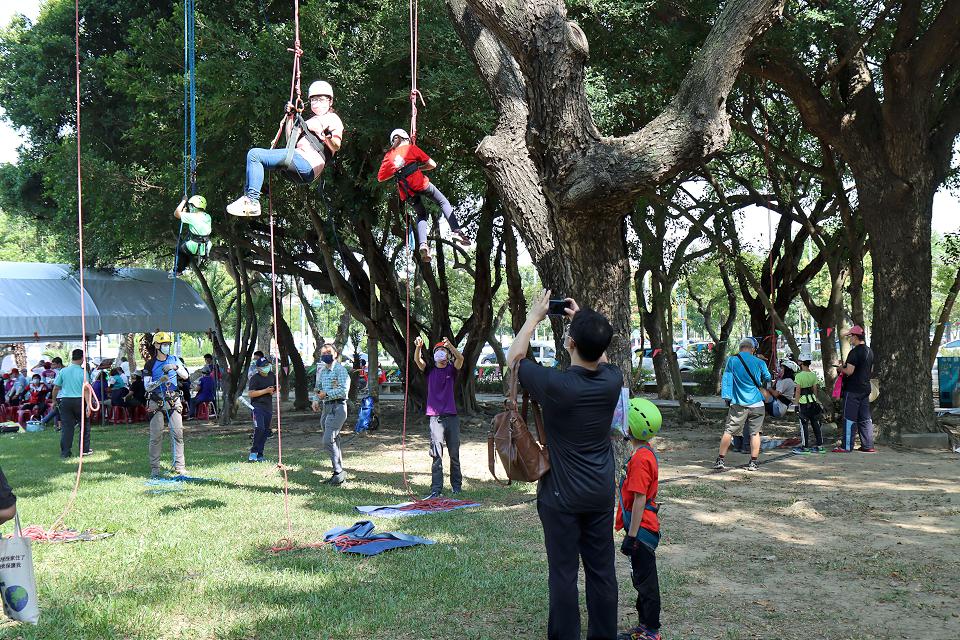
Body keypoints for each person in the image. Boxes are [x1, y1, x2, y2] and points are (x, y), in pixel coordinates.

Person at [506, 290, 622, 640]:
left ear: (569, 343)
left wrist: (534, 318)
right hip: (600, 491)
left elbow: (514, 358)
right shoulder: (612, 379)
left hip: (561, 495)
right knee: (602, 571)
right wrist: (583, 323)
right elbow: (597, 353)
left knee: (563, 573)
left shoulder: (556, 385)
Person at [227, 81, 344, 217]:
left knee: (254, 155)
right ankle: (249, 199)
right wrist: (290, 117)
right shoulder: (309, 121)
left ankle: (252, 200)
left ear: (330, 101)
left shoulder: (332, 118)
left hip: (307, 163)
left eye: (321, 99)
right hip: (298, 161)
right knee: (255, 157)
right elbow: (290, 140)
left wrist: (328, 137)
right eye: (313, 99)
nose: (317, 103)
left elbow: (337, 145)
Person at [377, 129, 470, 263]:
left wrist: (398, 171)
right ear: (405, 137)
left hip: (407, 191)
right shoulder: (412, 148)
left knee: (421, 215)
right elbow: (432, 164)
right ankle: (456, 231)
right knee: (443, 201)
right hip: (421, 184)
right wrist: (417, 168)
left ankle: (423, 245)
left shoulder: (389, 156)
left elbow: (380, 177)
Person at [616, 398, 663, 640]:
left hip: (642, 530)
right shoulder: (644, 453)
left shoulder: (640, 460)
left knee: (646, 582)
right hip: (641, 528)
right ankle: (644, 625)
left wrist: (631, 537)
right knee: (640, 579)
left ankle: (651, 631)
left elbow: (639, 500)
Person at [413, 336, 465, 498]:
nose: (441, 353)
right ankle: (436, 489)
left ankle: (456, 486)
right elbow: (417, 360)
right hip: (435, 418)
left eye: (444, 351)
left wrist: (450, 346)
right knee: (436, 454)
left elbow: (461, 358)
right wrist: (418, 347)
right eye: (438, 351)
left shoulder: (452, 369)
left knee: (454, 454)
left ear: (448, 355)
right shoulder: (429, 370)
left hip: (452, 417)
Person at [716, 337, 771, 472]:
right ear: (752, 349)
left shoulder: (732, 360)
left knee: (729, 431)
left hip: (738, 402)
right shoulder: (759, 362)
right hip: (757, 403)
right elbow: (768, 378)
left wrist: (727, 397)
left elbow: (727, 379)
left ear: (740, 348)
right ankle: (753, 463)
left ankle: (721, 460)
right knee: (755, 433)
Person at [143, 332, 190, 477]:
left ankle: (180, 467)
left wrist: (174, 367)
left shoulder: (174, 359)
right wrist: (159, 381)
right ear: (156, 345)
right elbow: (147, 386)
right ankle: (155, 469)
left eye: (168, 344)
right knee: (156, 436)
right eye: (164, 344)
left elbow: (185, 375)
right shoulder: (150, 364)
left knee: (178, 434)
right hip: (156, 401)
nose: (166, 347)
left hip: (173, 400)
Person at [833, 325, 876, 453]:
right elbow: (870, 370)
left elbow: (849, 371)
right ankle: (868, 445)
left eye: (850, 336)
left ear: (856, 337)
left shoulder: (854, 352)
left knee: (849, 418)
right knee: (865, 418)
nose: (849, 339)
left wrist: (840, 368)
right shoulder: (869, 351)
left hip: (853, 389)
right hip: (865, 388)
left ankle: (846, 446)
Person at [312, 343, 350, 485]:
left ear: (335, 354)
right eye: (323, 353)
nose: (325, 355)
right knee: (334, 440)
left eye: (328, 352)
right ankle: (338, 471)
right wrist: (315, 400)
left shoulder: (340, 370)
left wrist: (326, 394)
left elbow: (343, 391)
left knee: (328, 440)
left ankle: (338, 472)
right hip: (326, 408)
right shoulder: (323, 372)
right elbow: (318, 388)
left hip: (338, 407)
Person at [52, 349, 91, 458]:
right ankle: (84, 450)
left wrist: (54, 400)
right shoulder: (83, 372)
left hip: (65, 401)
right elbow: (87, 390)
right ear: (83, 358)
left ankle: (65, 453)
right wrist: (88, 405)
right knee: (84, 426)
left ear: (72, 357)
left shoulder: (63, 371)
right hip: (79, 400)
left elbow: (56, 387)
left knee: (67, 428)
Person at [172, 195, 212, 274]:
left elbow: (176, 214)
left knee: (180, 249)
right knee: (187, 250)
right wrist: (184, 214)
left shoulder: (192, 216)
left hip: (195, 245)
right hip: (206, 246)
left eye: (190, 206)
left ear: (194, 206)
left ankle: (178, 270)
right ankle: (182, 268)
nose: (190, 208)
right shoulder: (208, 216)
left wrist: (183, 201)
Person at [246, 357, 275, 462]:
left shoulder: (272, 375)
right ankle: (253, 452)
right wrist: (266, 391)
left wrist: (274, 390)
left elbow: (275, 387)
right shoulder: (255, 378)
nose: (267, 367)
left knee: (266, 431)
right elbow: (251, 393)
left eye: (267, 365)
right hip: (257, 407)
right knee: (260, 428)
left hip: (268, 407)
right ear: (258, 368)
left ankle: (260, 454)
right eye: (264, 366)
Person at [793, 359, 824, 453]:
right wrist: (815, 399)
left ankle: (805, 447)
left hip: (803, 403)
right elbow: (815, 390)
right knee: (816, 424)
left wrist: (796, 404)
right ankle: (820, 446)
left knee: (804, 425)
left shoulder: (798, 376)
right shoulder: (813, 375)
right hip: (813, 402)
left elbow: (798, 391)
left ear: (801, 363)